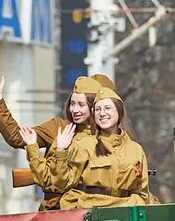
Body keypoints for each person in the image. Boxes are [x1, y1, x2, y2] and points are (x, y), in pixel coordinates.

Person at [0, 73, 111, 210]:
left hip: (90, 210)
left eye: (81, 105)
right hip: (55, 210)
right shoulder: (59, 127)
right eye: (72, 104)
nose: (75, 110)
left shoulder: (108, 137)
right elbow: (17, 137)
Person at [23, 87, 156, 209]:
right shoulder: (84, 145)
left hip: (124, 211)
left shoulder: (135, 150)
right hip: (89, 210)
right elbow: (61, 182)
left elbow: (141, 191)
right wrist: (61, 151)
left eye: (108, 108)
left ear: (119, 111)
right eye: (98, 109)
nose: (102, 113)